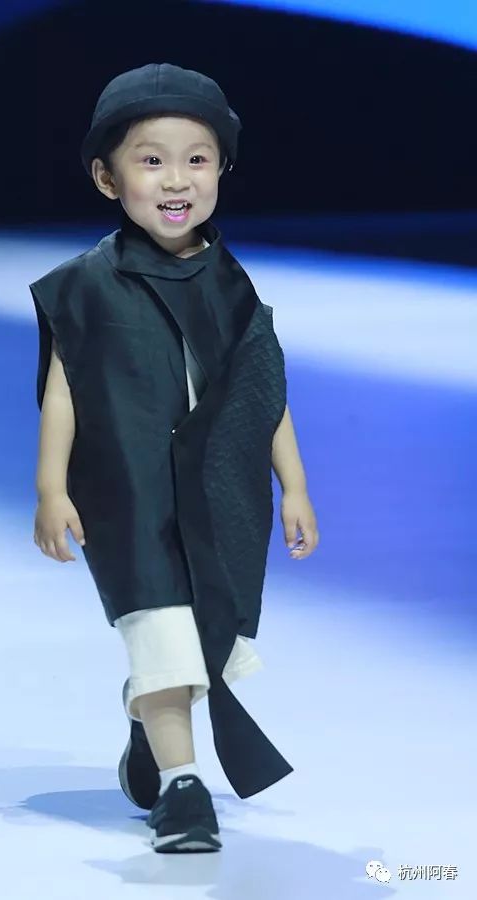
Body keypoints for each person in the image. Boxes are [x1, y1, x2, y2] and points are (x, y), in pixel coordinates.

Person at [30, 63, 319, 854]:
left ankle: (148, 727)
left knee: (204, 639)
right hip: (129, 492)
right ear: (107, 177)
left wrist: (293, 484)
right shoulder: (88, 286)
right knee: (160, 629)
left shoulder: (231, 286)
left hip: (218, 495)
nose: (176, 179)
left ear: (221, 170)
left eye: (197, 158)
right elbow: (65, 390)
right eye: (151, 160)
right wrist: (51, 486)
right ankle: (185, 792)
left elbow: (261, 391)